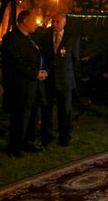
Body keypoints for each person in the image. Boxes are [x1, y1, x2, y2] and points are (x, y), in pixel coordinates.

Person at [1, 10, 48, 157]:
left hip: (33, 84)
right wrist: (35, 73)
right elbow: (16, 63)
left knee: (32, 115)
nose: (36, 23)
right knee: (20, 116)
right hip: (20, 86)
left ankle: (27, 142)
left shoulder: (29, 38)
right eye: (34, 20)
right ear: (25, 21)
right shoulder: (11, 38)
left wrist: (41, 71)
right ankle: (14, 146)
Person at [39, 13, 80, 147]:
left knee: (65, 109)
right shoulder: (45, 37)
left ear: (64, 23)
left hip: (64, 78)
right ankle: (47, 135)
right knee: (47, 108)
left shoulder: (71, 38)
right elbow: (44, 56)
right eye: (54, 21)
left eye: (58, 22)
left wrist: (65, 69)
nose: (55, 24)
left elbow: (75, 58)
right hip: (49, 78)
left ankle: (65, 135)